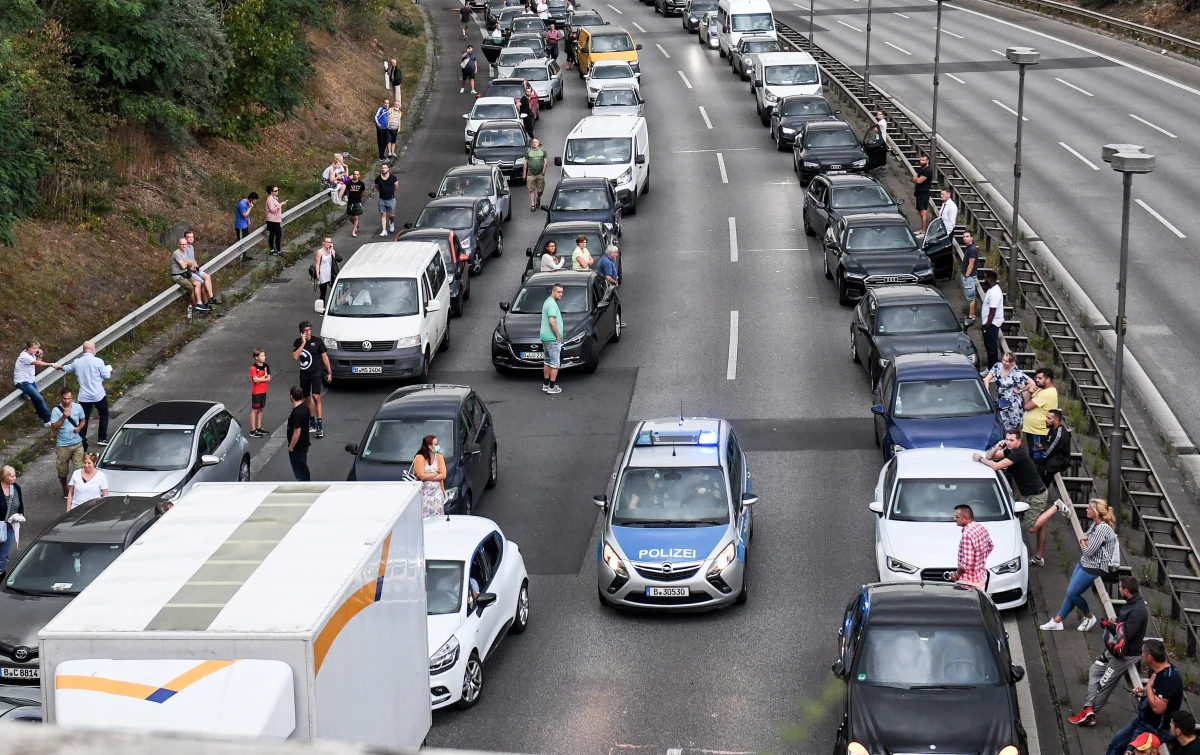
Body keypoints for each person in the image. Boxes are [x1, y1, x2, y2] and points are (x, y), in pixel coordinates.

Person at [1069, 576, 1149, 727]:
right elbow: (1122, 627)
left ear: (1126, 590)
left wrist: (1109, 626)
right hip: (1114, 651)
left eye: (1120, 588)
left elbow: (1126, 634)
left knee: (1103, 685)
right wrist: (1114, 624)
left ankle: (1089, 715)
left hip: (1124, 655)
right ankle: (1088, 708)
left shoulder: (1137, 611)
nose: (1119, 590)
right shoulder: (1131, 604)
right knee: (1094, 670)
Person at [1040, 499, 1118, 631]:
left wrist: (1082, 540)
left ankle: (1089, 616)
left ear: (1096, 512)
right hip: (1085, 563)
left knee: (1072, 592)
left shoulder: (1102, 529)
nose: (1087, 510)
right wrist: (1085, 540)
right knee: (1072, 592)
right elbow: (1087, 537)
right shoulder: (1096, 524)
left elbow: (1087, 550)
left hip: (1094, 566)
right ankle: (1058, 621)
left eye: (1089, 508)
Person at [975, 430, 1052, 563]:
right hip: (1028, 493)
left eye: (1011, 440)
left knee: (1031, 527)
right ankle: (1039, 557)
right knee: (1040, 523)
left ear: (1019, 441)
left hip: (1036, 494)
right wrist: (997, 447)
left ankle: (1057, 506)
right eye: (1007, 439)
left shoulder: (1018, 453)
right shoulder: (1010, 451)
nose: (1008, 443)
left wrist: (979, 459)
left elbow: (997, 466)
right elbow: (990, 456)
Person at [1106, 638, 1183, 755]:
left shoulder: (1169, 678)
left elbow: (1158, 708)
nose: (1142, 656)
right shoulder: (1156, 670)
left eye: (1143, 653)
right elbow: (1155, 692)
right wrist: (1143, 691)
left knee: (1132, 753)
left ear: (1150, 657)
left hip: (1154, 728)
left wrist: (1148, 688)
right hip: (1143, 720)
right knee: (1115, 745)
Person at [62, 341, 113, 447]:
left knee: (84, 418)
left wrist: (56, 366)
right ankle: (102, 438)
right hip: (98, 394)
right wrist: (107, 370)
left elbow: (66, 368)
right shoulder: (98, 361)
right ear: (93, 349)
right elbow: (106, 375)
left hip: (84, 396)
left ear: (84, 350)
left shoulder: (77, 362)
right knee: (103, 414)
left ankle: (82, 439)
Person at [292, 321, 332, 439]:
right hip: (304, 373)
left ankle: (319, 424)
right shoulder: (297, 342)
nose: (308, 333)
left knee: (316, 396)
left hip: (316, 372)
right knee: (306, 398)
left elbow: (324, 357)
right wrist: (303, 344)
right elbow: (295, 357)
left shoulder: (317, 341)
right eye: (306, 331)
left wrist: (329, 371)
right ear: (301, 332)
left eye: (309, 330)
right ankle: (312, 421)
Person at [51, 387, 87, 498]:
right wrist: (64, 417)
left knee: (79, 467)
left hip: (77, 443)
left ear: (72, 397)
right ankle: (65, 488)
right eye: (65, 398)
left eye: (69, 398)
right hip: (63, 446)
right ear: (61, 397)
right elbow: (53, 427)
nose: (67, 401)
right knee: (63, 470)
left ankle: (80, 488)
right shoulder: (56, 411)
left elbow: (83, 420)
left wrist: (79, 428)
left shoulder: (78, 407)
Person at [13, 341, 58, 425]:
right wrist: (51, 364)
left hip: (30, 380)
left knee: (37, 400)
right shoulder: (24, 356)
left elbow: (36, 362)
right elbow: (37, 363)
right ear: (28, 348)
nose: (36, 350)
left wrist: (40, 355)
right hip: (22, 382)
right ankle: (48, 419)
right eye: (34, 348)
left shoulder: (31, 354)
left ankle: (45, 419)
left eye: (37, 348)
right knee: (39, 398)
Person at [983, 352, 1029, 433]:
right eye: (1003, 360)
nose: (1004, 362)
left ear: (1012, 363)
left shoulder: (1016, 373)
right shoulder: (997, 366)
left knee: (1013, 428)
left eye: (1007, 361)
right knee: (1002, 424)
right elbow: (987, 379)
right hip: (1001, 401)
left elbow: (1032, 383)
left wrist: (1021, 390)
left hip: (1012, 403)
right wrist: (988, 393)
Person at [953, 504, 993, 590]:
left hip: (968, 582)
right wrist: (979, 560)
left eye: (957, 517)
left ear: (965, 518)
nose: (954, 519)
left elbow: (967, 563)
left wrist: (957, 575)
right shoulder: (981, 527)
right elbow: (990, 546)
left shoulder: (967, 535)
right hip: (981, 577)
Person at [1023, 367, 1059, 456]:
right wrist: (1029, 392)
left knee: (1037, 460)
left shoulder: (1046, 393)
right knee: (1033, 458)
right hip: (1034, 431)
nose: (1036, 380)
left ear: (1048, 379)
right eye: (1036, 377)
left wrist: (1030, 393)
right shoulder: (1041, 389)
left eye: (1040, 378)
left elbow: (1026, 406)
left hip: (1038, 432)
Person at [171, 237, 210, 312]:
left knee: (198, 283)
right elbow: (183, 266)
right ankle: (194, 305)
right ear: (178, 245)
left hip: (186, 273)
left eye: (185, 244)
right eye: (182, 244)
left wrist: (187, 263)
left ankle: (199, 303)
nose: (184, 246)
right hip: (178, 275)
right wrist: (187, 263)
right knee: (192, 288)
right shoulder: (176, 253)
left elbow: (190, 264)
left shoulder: (185, 252)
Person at [414, 435, 448, 516]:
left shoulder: (439, 456)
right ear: (429, 446)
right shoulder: (419, 457)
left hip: (437, 493)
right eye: (436, 444)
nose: (438, 446)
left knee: (438, 516)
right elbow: (421, 475)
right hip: (423, 494)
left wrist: (428, 476)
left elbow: (443, 475)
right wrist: (435, 473)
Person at [0, 465, 25, 573]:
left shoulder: (16, 488)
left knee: (4, 555)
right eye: (12, 476)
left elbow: (20, 504)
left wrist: (20, 515)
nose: (15, 478)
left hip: (10, 526)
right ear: (5, 477)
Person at [541, 283, 564, 394]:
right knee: (555, 363)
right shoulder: (552, 304)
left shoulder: (547, 301)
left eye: (562, 292)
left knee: (547, 361)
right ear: (553, 291)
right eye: (559, 292)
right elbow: (551, 321)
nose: (561, 294)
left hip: (545, 337)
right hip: (552, 338)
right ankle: (552, 387)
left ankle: (545, 384)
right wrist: (557, 335)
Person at [286, 385, 312, 482]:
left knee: (300, 471)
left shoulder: (297, 413)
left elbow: (297, 433)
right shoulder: (305, 407)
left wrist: (291, 447)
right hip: (304, 443)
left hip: (298, 447)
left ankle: (305, 487)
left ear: (291, 397)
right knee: (303, 467)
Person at [183, 231, 217, 304]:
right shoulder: (184, 249)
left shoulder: (191, 247)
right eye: (188, 237)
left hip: (195, 270)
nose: (191, 239)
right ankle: (205, 303)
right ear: (185, 238)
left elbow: (193, 259)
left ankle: (211, 297)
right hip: (189, 272)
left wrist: (197, 268)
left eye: (192, 237)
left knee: (207, 276)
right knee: (202, 283)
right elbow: (186, 264)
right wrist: (193, 270)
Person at [981, 270, 1004, 369]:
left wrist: (987, 326)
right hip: (990, 324)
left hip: (991, 325)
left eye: (985, 278)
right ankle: (991, 369)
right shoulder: (991, 289)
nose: (984, 280)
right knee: (989, 348)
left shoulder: (994, 292)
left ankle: (992, 371)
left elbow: (992, 311)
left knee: (991, 349)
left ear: (990, 279)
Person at [249, 348, 272, 438]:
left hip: (264, 390)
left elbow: (269, 378)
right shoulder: (253, 368)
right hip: (256, 392)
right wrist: (263, 378)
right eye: (262, 356)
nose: (264, 357)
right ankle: (253, 430)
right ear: (256, 357)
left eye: (264, 355)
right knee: (255, 410)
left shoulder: (266, 366)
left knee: (261, 409)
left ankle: (259, 427)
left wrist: (260, 379)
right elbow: (255, 380)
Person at [960, 230, 980, 326]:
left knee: (971, 297)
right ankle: (971, 315)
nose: (965, 238)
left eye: (967, 236)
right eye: (964, 236)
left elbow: (971, 264)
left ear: (972, 238)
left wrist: (967, 275)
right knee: (971, 296)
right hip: (969, 276)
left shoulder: (972, 249)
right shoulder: (969, 248)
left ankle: (971, 316)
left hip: (969, 276)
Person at [912, 153, 934, 233]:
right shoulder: (921, 169)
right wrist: (916, 178)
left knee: (923, 212)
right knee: (920, 211)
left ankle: (924, 231)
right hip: (919, 193)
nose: (921, 161)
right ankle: (922, 230)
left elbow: (918, 180)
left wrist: (916, 178)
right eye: (921, 160)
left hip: (924, 193)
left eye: (923, 160)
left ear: (927, 161)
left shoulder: (928, 170)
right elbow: (914, 178)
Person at [375, 163, 399, 236]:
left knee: (392, 215)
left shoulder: (393, 178)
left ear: (388, 169)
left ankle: (391, 222)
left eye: (385, 168)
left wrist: (390, 191)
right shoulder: (378, 179)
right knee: (383, 214)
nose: (383, 169)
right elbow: (377, 187)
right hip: (382, 199)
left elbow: (396, 187)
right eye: (382, 168)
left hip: (391, 199)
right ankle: (384, 230)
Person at [524, 137, 548, 211]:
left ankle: (538, 198)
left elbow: (545, 162)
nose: (534, 144)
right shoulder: (529, 152)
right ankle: (533, 205)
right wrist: (524, 174)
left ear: (538, 143)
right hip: (530, 174)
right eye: (533, 142)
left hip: (540, 174)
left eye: (536, 142)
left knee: (540, 190)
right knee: (531, 190)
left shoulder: (543, 151)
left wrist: (543, 172)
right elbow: (525, 163)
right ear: (532, 144)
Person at [265, 185, 286, 256]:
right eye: (275, 191)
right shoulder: (270, 199)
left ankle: (272, 250)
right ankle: (278, 251)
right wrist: (280, 205)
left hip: (275, 219)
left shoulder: (274, 198)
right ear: (271, 192)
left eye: (278, 190)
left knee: (273, 234)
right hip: (272, 220)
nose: (277, 192)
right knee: (278, 234)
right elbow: (272, 209)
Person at [315, 237, 337, 304]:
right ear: (323, 242)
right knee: (323, 292)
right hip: (323, 274)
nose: (328, 243)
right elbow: (317, 264)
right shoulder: (319, 252)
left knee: (335, 289)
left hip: (330, 274)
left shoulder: (331, 251)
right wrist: (318, 274)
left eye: (330, 242)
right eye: (327, 242)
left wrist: (332, 249)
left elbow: (335, 258)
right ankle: (322, 307)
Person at [345, 170, 366, 237]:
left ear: (359, 175)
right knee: (350, 217)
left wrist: (359, 197)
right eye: (354, 174)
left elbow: (363, 191)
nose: (355, 175)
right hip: (350, 202)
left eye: (357, 174)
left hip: (357, 202)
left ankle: (353, 231)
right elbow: (347, 190)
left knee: (356, 217)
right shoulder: (349, 183)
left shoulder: (361, 184)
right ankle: (356, 225)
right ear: (353, 175)